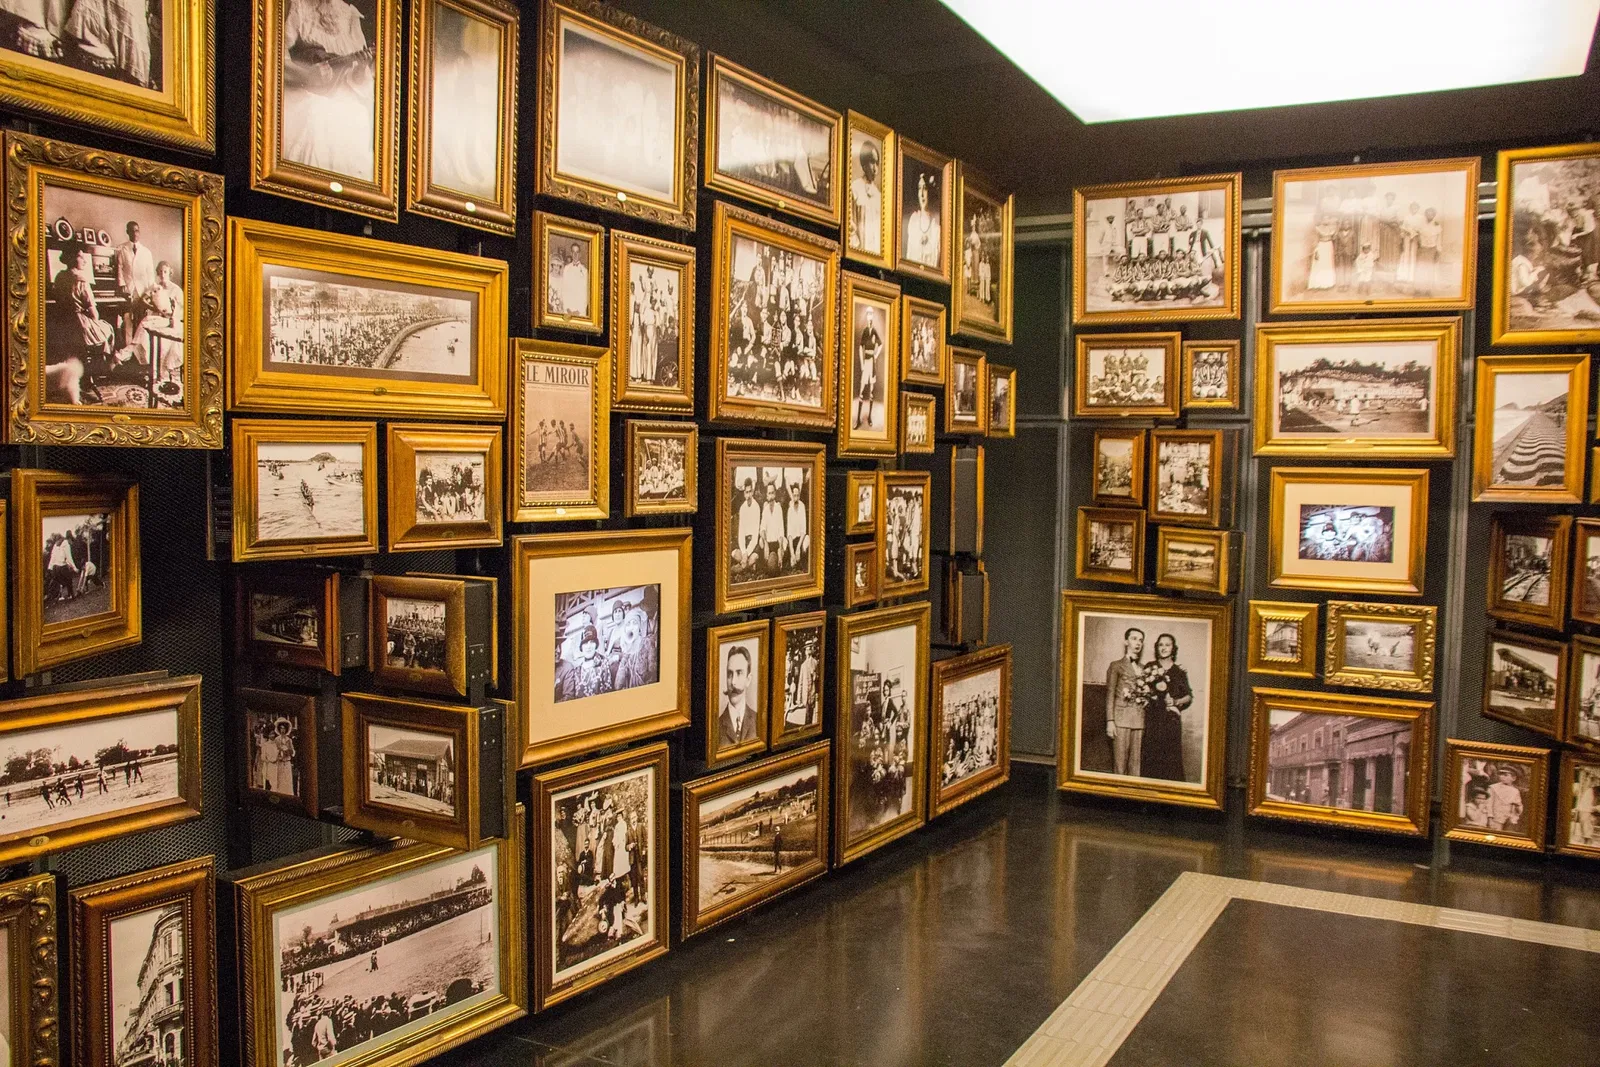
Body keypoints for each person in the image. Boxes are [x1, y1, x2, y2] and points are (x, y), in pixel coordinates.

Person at [280, 0, 378, 181]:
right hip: (302, 93)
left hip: (342, 103)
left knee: (357, 117)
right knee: (318, 113)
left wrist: (358, 73)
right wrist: (307, 75)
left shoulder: (352, 18)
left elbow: (362, 87)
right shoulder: (300, 6)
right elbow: (276, 58)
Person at [1139, 633, 1191, 782]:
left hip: (1171, 722)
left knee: (1170, 762)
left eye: (1167, 645)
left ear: (1173, 648)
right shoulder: (1150, 667)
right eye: (1161, 645)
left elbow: (1188, 696)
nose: (1164, 648)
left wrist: (1175, 702)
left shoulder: (1179, 671)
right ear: (1157, 647)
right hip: (1153, 720)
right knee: (1151, 758)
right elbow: (1141, 690)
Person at [1104, 628, 1147, 778]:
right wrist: (1110, 721)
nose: (1138, 643)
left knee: (1135, 766)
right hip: (1120, 720)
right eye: (1134, 638)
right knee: (1120, 764)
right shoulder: (1116, 665)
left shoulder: (1144, 669)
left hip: (1139, 719)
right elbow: (1110, 694)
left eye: (1141, 640)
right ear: (1126, 641)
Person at [718, 644, 758, 751]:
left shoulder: (758, 721)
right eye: (730, 674)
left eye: (739, 673)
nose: (733, 682)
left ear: (748, 679)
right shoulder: (715, 727)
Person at [849, 138, 881, 255]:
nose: (875, 168)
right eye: (872, 162)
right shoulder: (854, 188)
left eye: (877, 163)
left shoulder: (879, 196)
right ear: (864, 164)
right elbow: (850, 225)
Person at [904, 172, 941, 268]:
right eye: (919, 188)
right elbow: (910, 254)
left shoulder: (936, 225)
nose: (921, 194)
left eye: (925, 189)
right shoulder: (914, 220)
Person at [1487, 765, 1524, 831]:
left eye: (1505, 775)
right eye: (1501, 774)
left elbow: (1519, 805)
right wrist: (1490, 819)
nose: (1502, 777)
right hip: (1496, 818)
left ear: (1513, 778)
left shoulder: (1515, 791)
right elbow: (1489, 804)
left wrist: (1518, 808)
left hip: (1509, 820)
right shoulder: (1493, 788)